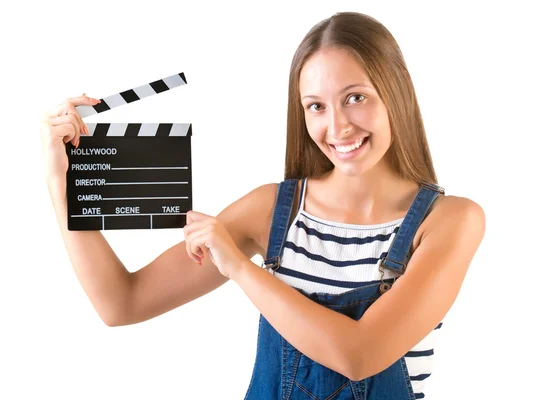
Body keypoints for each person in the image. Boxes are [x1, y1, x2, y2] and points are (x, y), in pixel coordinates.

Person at [40, 11, 486, 400]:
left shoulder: (449, 221)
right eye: (315, 106)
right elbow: (122, 303)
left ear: (396, 92)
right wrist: (61, 183)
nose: (337, 127)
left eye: (355, 97)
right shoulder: (274, 210)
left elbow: (360, 354)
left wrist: (238, 266)